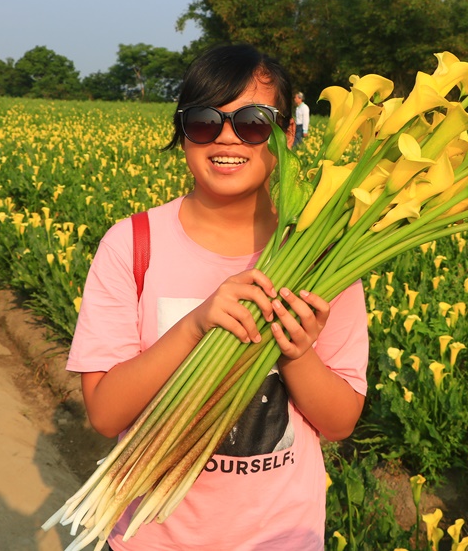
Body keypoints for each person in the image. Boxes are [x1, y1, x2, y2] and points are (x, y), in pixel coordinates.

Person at [67, 43, 369, 550]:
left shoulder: (326, 260)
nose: (227, 138)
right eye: (205, 121)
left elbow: (339, 422)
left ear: (288, 132)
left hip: (281, 537)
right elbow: (105, 414)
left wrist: (294, 350)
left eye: (253, 122)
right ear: (183, 135)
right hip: (150, 537)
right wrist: (195, 325)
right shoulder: (132, 245)